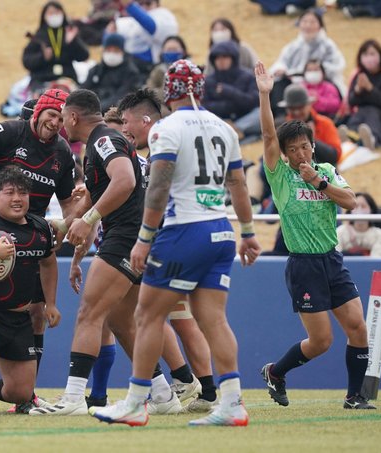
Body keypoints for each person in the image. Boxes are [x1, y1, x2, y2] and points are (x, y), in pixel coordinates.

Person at [91, 59, 261, 427]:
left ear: (170, 90)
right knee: (214, 319)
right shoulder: (225, 129)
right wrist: (248, 232)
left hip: (183, 229)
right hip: (220, 230)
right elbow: (238, 185)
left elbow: (158, 188)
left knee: (146, 315)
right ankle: (232, 402)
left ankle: (136, 401)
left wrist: (144, 239)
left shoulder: (165, 129)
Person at [255, 60, 374, 410]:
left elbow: (350, 202)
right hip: (303, 264)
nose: (300, 153)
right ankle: (276, 372)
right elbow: (268, 136)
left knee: (358, 328)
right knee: (321, 341)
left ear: (312, 144)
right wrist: (264, 94)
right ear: (285, 153)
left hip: (332, 260)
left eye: (304, 146)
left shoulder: (326, 171)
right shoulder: (280, 176)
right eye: (292, 149)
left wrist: (319, 182)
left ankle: (355, 397)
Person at [29, 88, 152, 417]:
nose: (61, 125)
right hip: (134, 236)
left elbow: (124, 181)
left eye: (63, 117)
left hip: (123, 236)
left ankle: (72, 398)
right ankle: (164, 391)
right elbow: (99, 193)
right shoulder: (101, 141)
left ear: (73, 116)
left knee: (89, 314)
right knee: (121, 320)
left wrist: (88, 220)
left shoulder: (103, 141)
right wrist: (67, 223)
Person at [0, 88, 74, 412]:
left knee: (37, 316)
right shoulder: (9, 131)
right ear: (39, 112)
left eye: (62, 119)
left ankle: (22, 396)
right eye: (52, 115)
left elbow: (68, 204)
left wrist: (69, 225)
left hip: (32, 239)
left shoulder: (62, 152)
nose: (56, 123)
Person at [117, 87, 220, 413]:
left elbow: (159, 197)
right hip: (204, 232)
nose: (124, 130)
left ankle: (151, 393)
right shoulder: (202, 134)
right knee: (189, 318)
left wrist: (146, 239)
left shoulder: (165, 142)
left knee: (149, 315)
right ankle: (210, 391)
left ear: (146, 120)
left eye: (126, 122)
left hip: (174, 239)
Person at [0, 167, 58, 410]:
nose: (17, 198)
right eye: (10, 193)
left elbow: (49, 263)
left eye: (23, 193)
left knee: (20, 393)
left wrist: (51, 303)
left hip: (19, 317)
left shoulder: (41, 227)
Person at [269, 9, 346, 94]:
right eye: (305, 22)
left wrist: (315, 71)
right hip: (294, 83)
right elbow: (281, 62)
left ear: (320, 26)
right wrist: (281, 69)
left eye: (312, 22)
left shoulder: (327, 46)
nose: (308, 26)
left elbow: (336, 66)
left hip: (322, 83)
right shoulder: (294, 46)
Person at [22, 1, 89, 91]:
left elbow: (84, 56)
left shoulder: (68, 32)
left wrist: (72, 42)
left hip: (67, 77)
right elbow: (27, 61)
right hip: (42, 79)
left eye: (57, 12)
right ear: (44, 16)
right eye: (51, 13)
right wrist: (43, 57)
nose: (54, 16)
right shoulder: (39, 37)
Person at [203, 40, 260, 142]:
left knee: (259, 113)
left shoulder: (248, 76)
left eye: (225, 57)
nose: (221, 60)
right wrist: (231, 105)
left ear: (233, 58)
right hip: (220, 121)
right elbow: (205, 106)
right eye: (217, 58)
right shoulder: (208, 80)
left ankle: (232, 131)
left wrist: (230, 92)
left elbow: (254, 101)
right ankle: (235, 133)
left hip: (244, 119)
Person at [113, 0, 179, 79]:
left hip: (156, 70)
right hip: (132, 70)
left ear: (157, 4)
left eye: (148, 3)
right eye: (140, 4)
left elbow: (151, 26)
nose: (144, 7)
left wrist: (129, 5)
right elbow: (112, 33)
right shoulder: (131, 20)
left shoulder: (165, 15)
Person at [278, 83, 341, 165]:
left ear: (309, 105)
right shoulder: (282, 128)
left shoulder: (325, 123)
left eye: (300, 107)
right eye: (292, 108)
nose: (296, 112)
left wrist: (312, 140)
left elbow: (335, 156)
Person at [80, 33, 141, 114]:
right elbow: (83, 90)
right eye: (108, 50)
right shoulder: (96, 70)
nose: (112, 53)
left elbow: (122, 97)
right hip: (91, 111)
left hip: (114, 114)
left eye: (116, 50)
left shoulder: (131, 73)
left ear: (122, 52)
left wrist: (97, 109)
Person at [343, 39, 381, 150]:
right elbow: (351, 102)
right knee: (358, 116)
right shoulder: (358, 75)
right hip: (361, 112)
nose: (369, 58)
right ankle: (350, 137)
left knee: (371, 112)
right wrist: (358, 90)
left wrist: (370, 88)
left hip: (378, 114)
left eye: (372, 54)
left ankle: (373, 139)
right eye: (365, 54)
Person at [337, 192, 381, 257]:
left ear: (371, 210)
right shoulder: (340, 232)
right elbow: (336, 258)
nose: (359, 210)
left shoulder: (378, 234)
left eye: (363, 206)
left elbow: (376, 260)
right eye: (356, 207)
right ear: (350, 211)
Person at [145, 35, 189, 100]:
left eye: (174, 49)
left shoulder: (191, 70)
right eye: (169, 50)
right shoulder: (159, 71)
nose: (171, 52)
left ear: (183, 52)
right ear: (162, 52)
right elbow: (148, 93)